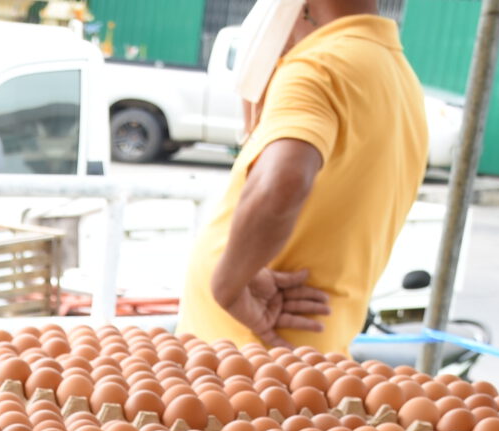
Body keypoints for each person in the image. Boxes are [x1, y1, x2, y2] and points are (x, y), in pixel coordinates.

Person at [177, 0, 429, 354]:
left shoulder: (320, 66)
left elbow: (281, 182)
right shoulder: (400, 77)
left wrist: (228, 285)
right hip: (302, 353)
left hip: (250, 355)